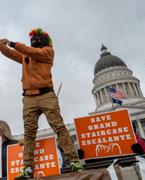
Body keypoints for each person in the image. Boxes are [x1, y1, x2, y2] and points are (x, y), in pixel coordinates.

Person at [0, 28, 84, 180]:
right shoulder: (27, 55)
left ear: (44, 40)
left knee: (58, 127)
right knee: (29, 133)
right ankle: (27, 168)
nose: (33, 39)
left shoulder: (48, 52)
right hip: (28, 97)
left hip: (46, 95)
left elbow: (32, 52)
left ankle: (74, 161)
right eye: (32, 37)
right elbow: (12, 54)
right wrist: (2, 46)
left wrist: (12, 43)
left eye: (36, 37)